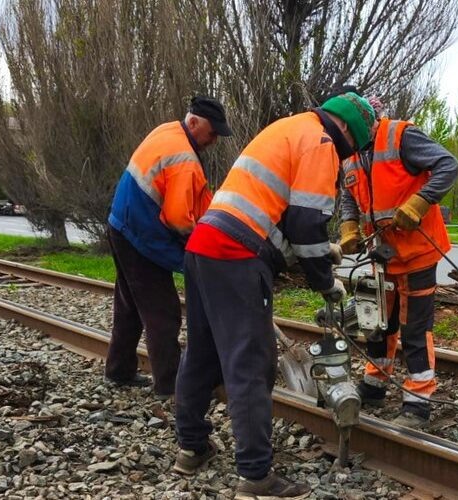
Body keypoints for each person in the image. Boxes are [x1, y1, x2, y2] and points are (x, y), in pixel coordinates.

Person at [172, 93, 375, 499]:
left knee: (203, 353)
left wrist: (324, 250)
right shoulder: (321, 144)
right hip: (236, 254)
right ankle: (255, 476)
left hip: (204, 246)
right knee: (251, 364)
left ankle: (191, 449)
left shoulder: (290, 127)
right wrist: (325, 281)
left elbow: (278, 211)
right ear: (350, 135)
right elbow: (306, 224)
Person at [339, 97, 458, 428]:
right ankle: (375, 382)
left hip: (418, 251)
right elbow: (349, 194)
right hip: (381, 253)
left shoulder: (402, 137)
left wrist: (420, 202)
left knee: (414, 327)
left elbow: (449, 165)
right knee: (377, 321)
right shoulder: (350, 152)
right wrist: (348, 225)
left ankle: (418, 400)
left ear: (371, 120)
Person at [103, 96, 232, 399]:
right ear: (195, 122)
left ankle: (118, 370)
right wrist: (200, 250)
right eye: (212, 133)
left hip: (121, 225)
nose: (213, 141)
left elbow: (195, 202)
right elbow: (178, 220)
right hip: (140, 236)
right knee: (163, 312)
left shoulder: (168, 131)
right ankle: (171, 386)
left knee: (130, 305)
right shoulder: (184, 159)